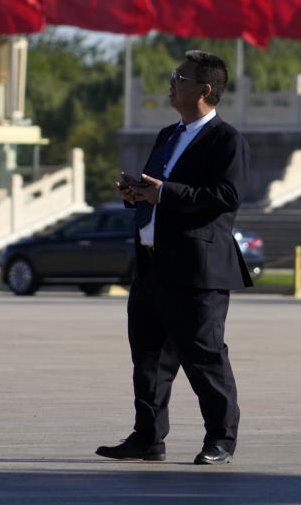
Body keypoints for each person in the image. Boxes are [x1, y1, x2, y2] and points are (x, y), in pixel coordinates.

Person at [97, 50, 252, 465]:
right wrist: (137, 193)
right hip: (151, 265)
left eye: (178, 77)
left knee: (204, 358)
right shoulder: (168, 134)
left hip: (197, 271)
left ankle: (221, 440)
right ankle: (148, 438)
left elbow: (227, 196)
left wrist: (165, 193)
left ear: (204, 89)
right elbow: (157, 189)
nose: (171, 83)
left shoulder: (226, 139)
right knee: (147, 358)